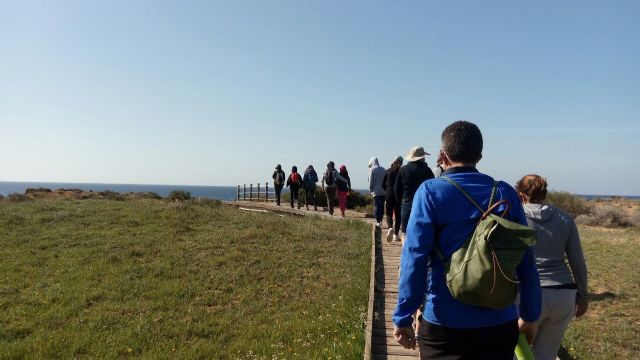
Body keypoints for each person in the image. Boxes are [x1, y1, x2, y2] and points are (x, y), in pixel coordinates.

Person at [392, 121, 541, 360]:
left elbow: (414, 259)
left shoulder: (430, 192)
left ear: (443, 154)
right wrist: (531, 314)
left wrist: (403, 316)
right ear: (480, 156)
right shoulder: (505, 193)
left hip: (444, 322)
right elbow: (525, 260)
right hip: (499, 323)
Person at [516, 174, 588, 360]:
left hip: (526, 294)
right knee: (546, 354)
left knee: (517, 352)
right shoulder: (564, 218)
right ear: (544, 194)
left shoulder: (516, 218)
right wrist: (583, 296)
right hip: (563, 295)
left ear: (521, 195)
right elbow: (577, 261)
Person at [394, 146, 435, 242]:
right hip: (422, 203)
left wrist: (400, 202)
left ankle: (405, 253)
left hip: (406, 202)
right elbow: (432, 187)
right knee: (420, 232)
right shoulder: (427, 170)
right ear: (422, 157)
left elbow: (397, 188)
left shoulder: (403, 170)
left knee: (405, 232)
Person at [382, 156, 403, 242]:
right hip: (398, 195)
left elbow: (382, 184)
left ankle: (390, 227)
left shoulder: (387, 171)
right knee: (398, 215)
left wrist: (387, 191)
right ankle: (396, 235)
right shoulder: (401, 172)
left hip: (389, 194)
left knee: (389, 214)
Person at [368, 157, 386, 227]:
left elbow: (371, 181)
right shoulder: (383, 169)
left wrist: (370, 189)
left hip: (376, 191)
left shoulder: (372, 169)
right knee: (381, 206)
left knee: (377, 206)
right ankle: (381, 220)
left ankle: (378, 221)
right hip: (383, 191)